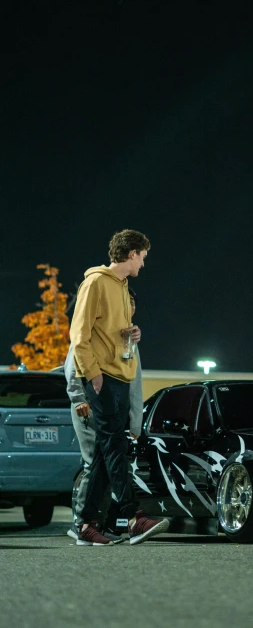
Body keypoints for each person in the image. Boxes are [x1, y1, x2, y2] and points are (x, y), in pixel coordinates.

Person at [70, 229, 169, 546]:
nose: (143, 263)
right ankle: (133, 516)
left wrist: (131, 334)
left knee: (105, 450)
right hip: (103, 379)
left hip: (121, 377)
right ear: (131, 254)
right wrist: (94, 375)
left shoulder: (123, 287)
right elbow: (79, 336)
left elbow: (111, 333)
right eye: (142, 256)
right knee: (115, 446)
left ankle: (85, 523)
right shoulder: (95, 283)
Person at [64, 287, 144, 542]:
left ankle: (94, 523)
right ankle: (84, 523)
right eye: (124, 302)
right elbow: (75, 360)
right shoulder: (98, 329)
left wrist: (135, 421)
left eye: (131, 302)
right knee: (94, 463)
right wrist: (78, 397)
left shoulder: (129, 337)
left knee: (106, 462)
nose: (128, 307)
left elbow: (134, 384)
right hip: (91, 406)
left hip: (113, 409)